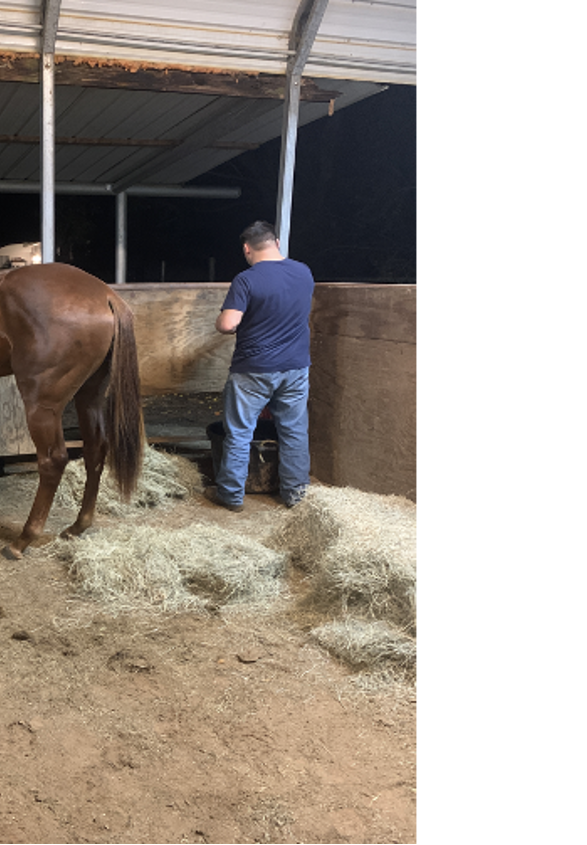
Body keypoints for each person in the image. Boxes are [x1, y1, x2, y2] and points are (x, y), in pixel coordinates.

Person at [204, 220, 315, 513]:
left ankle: (230, 495)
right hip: (295, 367)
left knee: (239, 431)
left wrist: (219, 321)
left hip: (253, 369)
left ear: (246, 248)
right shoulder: (304, 272)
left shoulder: (246, 279)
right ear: (276, 242)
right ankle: (295, 494)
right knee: (293, 431)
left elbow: (228, 324)